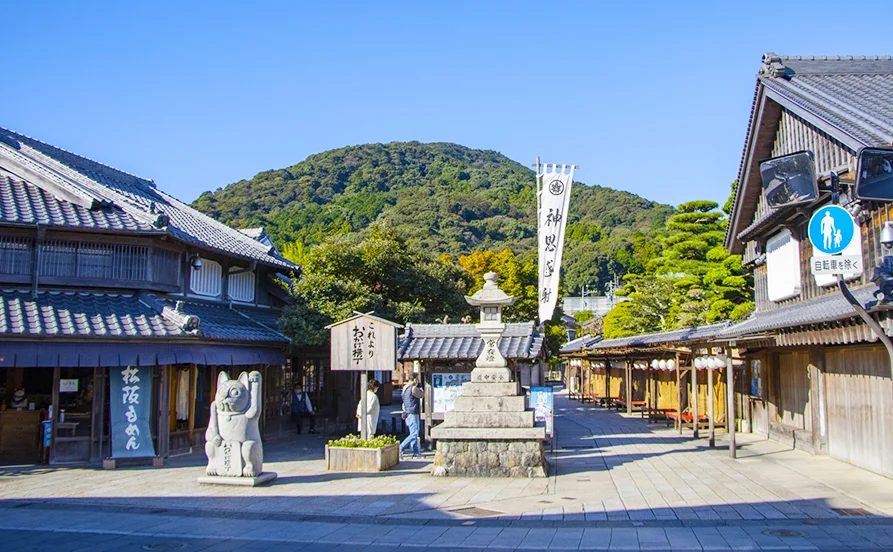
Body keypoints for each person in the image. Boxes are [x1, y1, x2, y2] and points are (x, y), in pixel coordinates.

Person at [400, 373, 424, 459]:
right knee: (414, 434)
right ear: (414, 379)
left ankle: (415, 452)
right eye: (417, 379)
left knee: (413, 433)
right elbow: (422, 395)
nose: (417, 380)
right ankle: (400, 448)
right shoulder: (413, 388)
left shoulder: (405, 388)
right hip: (413, 412)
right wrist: (420, 387)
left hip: (408, 412)